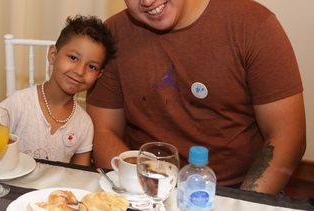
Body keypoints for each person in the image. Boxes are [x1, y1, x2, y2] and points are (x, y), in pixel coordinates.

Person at [86, 0, 306, 194]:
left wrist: (242, 202)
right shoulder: (114, 34)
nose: (147, 1)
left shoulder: (253, 24)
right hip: (145, 185)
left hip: (236, 188)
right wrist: (143, 190)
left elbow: (288, 136)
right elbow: (104, 130)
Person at [0, 15, 116, 166]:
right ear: (53, 55)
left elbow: (79, 174)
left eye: (92, 67)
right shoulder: (19, 104)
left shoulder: (84, 124)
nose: (80, 71)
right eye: (73, 58)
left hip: (57, 190)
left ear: (99, 75)